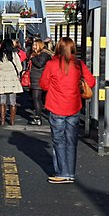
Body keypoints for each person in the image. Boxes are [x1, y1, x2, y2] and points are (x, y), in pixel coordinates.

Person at [40, 37, 95, 184]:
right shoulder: (79, 65)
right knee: (71, 141)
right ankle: (70, 173)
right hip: (74, 107)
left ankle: (62, 173)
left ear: (58, 48)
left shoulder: (51, 64)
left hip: (56, 107)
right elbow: (91, 82)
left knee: (59, 141)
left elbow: (44, 85)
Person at [0, 38, 23, 125]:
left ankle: (2, 121)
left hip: (2, 78)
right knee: (13, 102)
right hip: (13, 79)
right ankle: (12, 121)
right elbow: (20, 68)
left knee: (2, 101)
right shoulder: (15, 55)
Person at [27, 39, 51, 125]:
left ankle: (38, 117)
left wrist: (33, 58)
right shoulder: (38, 54)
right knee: (37, 99)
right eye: (33, 45)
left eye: (35, 45)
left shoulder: (44, 54)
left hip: (39, 79)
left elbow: (39, 64)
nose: (33, 47)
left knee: (36, 98)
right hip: (36, 79)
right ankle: (38, 115)